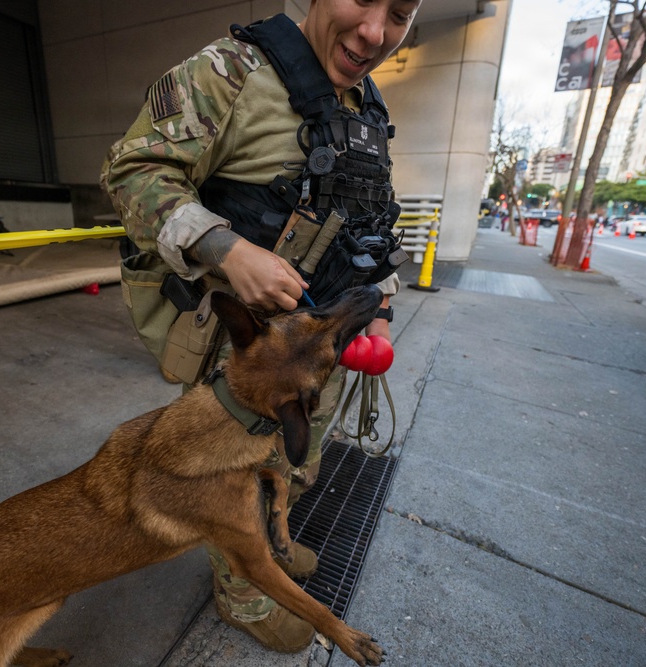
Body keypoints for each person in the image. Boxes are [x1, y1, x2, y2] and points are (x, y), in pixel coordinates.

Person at [101, 0, 420, 654]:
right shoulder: (231, 72)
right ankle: (243, 591)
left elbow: (372, 221)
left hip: (315, 341)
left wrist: (380, 311)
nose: (373, 30)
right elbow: (131, 171)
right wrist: (226, 249)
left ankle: (272, 546)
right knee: (235, 475)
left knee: (297, 462)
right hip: (241, 350)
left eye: (399, 11)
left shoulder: (365, 106)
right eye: (361, 0)